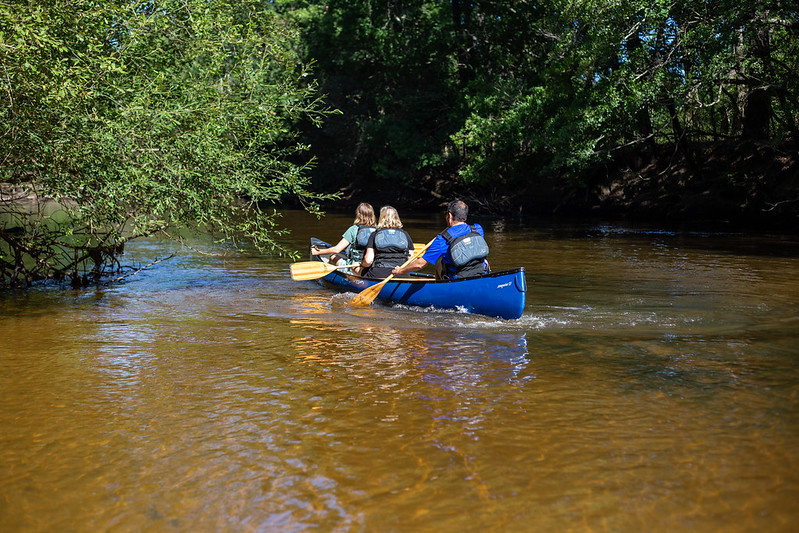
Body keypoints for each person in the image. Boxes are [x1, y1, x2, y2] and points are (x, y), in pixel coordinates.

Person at [392, 199, 489, 279]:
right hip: (481, 273)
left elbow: (420, 264)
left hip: (458, 279)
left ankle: (439, 288)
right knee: (483, 259)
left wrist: (400, 271)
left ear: (449, 216)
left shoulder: (442, 239)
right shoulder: (477, 229)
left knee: (439, 263)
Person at [311, 203, 376, 274]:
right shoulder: (377, 230)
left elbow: (337, 250)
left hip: (354, 267)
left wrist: (318, 252)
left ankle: (331, 276)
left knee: (333, 257)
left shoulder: (353, 229)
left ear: (358, 215)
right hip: (372, 268)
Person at [359, 205, 414, 279]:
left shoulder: (374, 234)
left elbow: (368, 261)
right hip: (402, 274)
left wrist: (362, 265)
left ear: (381, 218)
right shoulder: (405, 234)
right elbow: (411, 261)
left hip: (379, 273)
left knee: (362, 272)